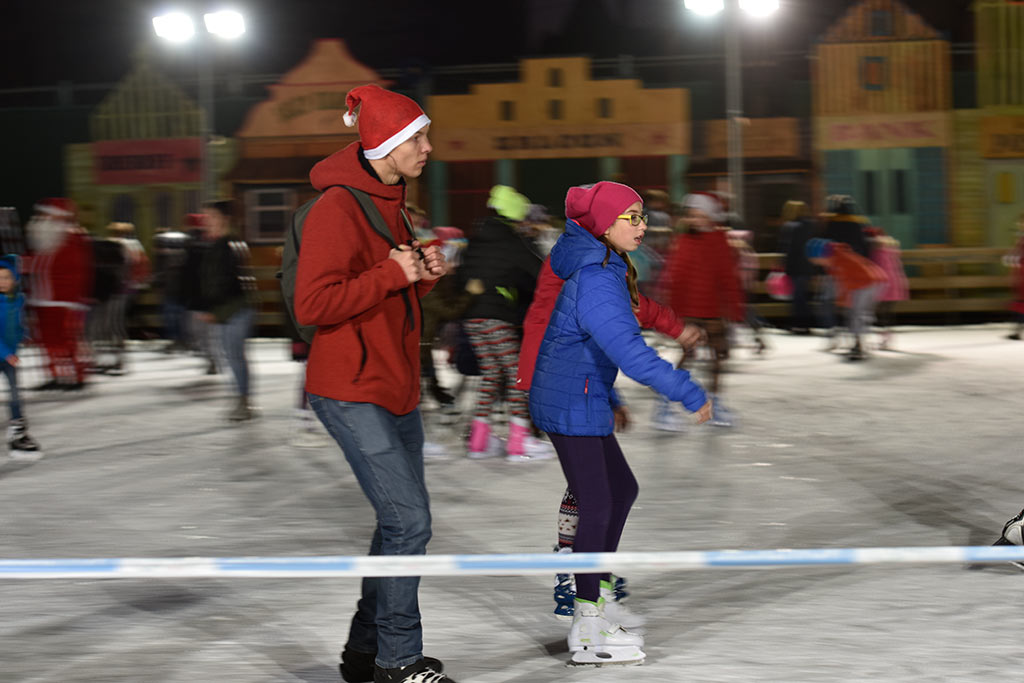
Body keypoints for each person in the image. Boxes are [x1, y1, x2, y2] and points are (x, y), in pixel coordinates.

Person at [293, 84, 454, 683]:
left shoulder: (393, 201)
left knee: (399, 522)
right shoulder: (339, 206)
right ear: (387, 143)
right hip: (349, 386)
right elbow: (314, 304)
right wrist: (392, 272)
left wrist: (420, 276)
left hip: (394, 384)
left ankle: (365, 655)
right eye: (418, 138)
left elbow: (383, 292)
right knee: (409, 522)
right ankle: (398, 661)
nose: (428, 148)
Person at [528, 181, 712, 666]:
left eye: (642, 215)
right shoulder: (595, 275)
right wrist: (687, 392)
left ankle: (596, 594)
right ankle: (587, 623)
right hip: (570, 402)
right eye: (631, 216)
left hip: (580, 394)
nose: (642, 225)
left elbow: (606, 334)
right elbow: (629, 351)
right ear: (604, 224)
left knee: (619, 491)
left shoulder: (607, 266)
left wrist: (611, 394)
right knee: (599, 501)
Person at [458, 184, 552, 462]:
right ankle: (519, 442)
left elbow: (463, 276)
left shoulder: (476, 240)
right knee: (516, 376)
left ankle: (479, 441)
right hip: (496, 317)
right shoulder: (512, 241)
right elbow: (539, 272)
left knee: (491, 374)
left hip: (472, 317)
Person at [659, 192, 745, 428]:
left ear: (711, 216)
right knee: (688, 359)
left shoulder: (720, 241)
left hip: (715, 311)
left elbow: (728, 278)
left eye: (700, 215)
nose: (696, 220)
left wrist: (735, 312)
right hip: (690, 312)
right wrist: (672, 316)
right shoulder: (685, 241)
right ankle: (664, 408)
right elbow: (675, 277)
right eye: (692, 215)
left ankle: (715, 405)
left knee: (719, 359)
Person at [193, 200, 257, 421]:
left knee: (235, 357)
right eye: (205, 218)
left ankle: (243, 402)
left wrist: (214, 306)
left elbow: (231, 281)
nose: (206, 222)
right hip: (223, 310)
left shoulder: (231, 245)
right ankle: (240, 399)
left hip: (235, 309)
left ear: (223, 219)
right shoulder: (214, 245)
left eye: (210, 217)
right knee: (231, 357)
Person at [23, 198, 92, 391]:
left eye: (45, 214)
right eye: (40, 215)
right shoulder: (44, 241)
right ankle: (55, 374)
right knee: (47, 340)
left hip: (65, 300)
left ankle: (78, 375)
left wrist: (76, 298)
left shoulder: (71, 239)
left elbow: (79, 271)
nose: (40, 218)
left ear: (57, 216)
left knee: (68, 340)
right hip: (43, 299)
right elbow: (38, 266)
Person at [806, 238, 886, 361]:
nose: (816, 263)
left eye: (816, 260)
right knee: (856, 314)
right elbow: (843, 286)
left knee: (856, 314)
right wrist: (843, 302)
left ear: (822, 255)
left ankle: (859, 346)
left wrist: (844, 302)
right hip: (868, 282)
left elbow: (847, 284)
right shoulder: (835, 261)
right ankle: (859, 343)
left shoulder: (841, 260)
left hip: (869, 283)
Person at [0, 255, 41, 460]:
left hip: (9, 356)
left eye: (6, 277)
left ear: (14, 279)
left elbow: (17, 325)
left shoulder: (18, 300)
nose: (2, 282)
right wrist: (6, 353)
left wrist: (24, 335)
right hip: (5, 355)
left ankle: (18, 432)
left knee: (16, 394)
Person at [865, 227, 908, 350]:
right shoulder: (891, 251)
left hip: (885, 287)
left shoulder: (877, 253)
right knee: (887, 313)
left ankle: (885, 339)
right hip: (895, 286)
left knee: (881, 313)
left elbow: (877, 271)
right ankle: (887, 338)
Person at [777, 200, 816, 334]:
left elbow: (787, 249)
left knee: (797, 297)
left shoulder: (790, 227)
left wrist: (783, 265)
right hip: (808, 267)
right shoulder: (811, 226)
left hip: (795, 267)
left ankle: (798, 324)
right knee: (803, 296)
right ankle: (805, 324)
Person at [1005, 215, 1024, 340]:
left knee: (1021, 305)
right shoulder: (1021, 239)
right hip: (1020, 277)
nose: (1020, 226)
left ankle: (1017, 331)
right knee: (1020, 304)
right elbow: (1015, 255)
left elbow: (1018, 256)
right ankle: (1016, 331)